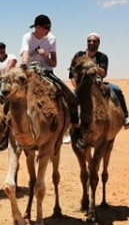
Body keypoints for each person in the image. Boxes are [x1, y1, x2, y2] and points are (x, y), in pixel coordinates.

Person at [19, 14, 83, 144]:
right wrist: (25, 62)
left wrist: (45, 56)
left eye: (49, 28)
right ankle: (7, 131)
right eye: (46, 28)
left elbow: (54, 63)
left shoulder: (51, 39)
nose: (48, 30)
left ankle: (75, 130)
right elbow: (25, 54)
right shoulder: (27, 37)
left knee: (70, 96)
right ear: (37, 27)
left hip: (46, 72)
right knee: (11, 93)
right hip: (30, 72)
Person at [69, 32, 129, 128]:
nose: (91, 43)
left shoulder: (102, 57)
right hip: (82, 85)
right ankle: (70, 127)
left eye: (94, 41)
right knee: (71, 97)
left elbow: (103, 73)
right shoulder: (79, 55)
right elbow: (71, 74)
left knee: (116, 89)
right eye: (89, 41)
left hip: (98, 84)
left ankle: (126, 118)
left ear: (98, 43)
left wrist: (91, 64)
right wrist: (77, 87)